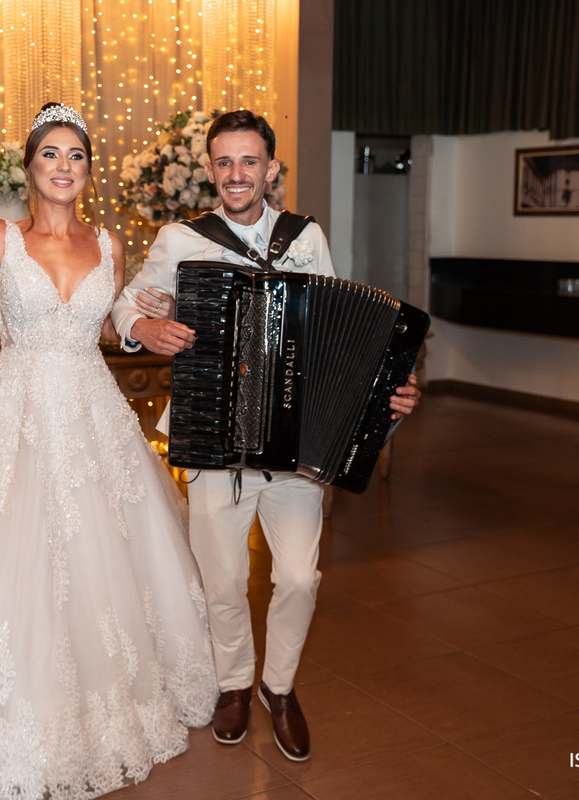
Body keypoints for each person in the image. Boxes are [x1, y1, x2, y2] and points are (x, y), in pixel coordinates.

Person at [0, 100, 218, 800]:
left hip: (94, 413)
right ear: (31, 168)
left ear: (87, 170)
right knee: (13, 563)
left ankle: (110, 712)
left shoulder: (110, 243)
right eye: (50, 154)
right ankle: (13, 726)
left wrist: (140, 321)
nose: (64, 167)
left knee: (109, 560)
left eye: (77, 156)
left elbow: (117, 315)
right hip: (20, 416)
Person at [111, 109, 420, 763]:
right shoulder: (180, 239)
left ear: (271, 169)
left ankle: (279, 688)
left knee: (300, 578)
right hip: (212, 434)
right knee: (222, 583)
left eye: (249, 161)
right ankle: (233, 684)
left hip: (294, 443)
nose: (236, 174)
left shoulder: (305, 236)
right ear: (210, 170)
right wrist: (145, 329)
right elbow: (124, 305)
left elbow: (345, 338)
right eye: (224, 162)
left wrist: (385, 393)